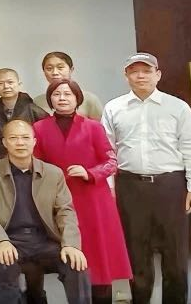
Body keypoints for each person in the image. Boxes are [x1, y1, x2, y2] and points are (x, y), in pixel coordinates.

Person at [102, 53, 191, 304]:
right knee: (137, 252)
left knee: (175, 253)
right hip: (130, 186)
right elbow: (107, 151)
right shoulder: (113, 108)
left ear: (158, 75)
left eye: (146, 71)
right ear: (126, 76)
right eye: (134, 71)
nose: (140, 76)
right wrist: (110, 188)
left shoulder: (177, 107)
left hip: (170, 186)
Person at [34, 79, 131, 303]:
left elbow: (111, 161)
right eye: (56, 94)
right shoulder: (39, 128)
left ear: (77, 98)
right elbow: (35, 164)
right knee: (72, 259)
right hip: (59, 200)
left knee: (100, 259)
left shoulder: (93, 127)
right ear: (50, 100)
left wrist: (89, 172)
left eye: (68, 94)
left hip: (94, 199)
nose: (62, 98)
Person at [0, 120, 90, 304]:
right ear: (4, 142)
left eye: (25, 138)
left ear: (34, 141)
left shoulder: (53, 173)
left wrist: (71, 244)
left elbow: (65, 211)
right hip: (9, 239)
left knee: (76, 264)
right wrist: (0, 240)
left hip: (44, 241)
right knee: (3, 266)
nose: (20, 143)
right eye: (13, 138)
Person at [0, 69, 48, 162]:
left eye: (10, 82)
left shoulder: (35, 111)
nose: (6, 86)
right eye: (0, 83)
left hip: (29, 163)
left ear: (19, 84)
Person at [32, 52, 105, 119]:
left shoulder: (89, 99)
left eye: (60, 68)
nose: (55, 72)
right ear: (44, 72)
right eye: (49, 68)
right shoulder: (37, 102)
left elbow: (98, 126)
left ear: (71, 69)